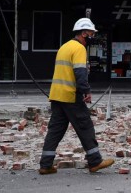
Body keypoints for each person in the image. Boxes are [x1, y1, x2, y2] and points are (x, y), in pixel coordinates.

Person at [38, 18, 114, 175]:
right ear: (84, 33)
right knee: (85, 126)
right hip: (71, 96)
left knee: (55, 130)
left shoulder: (64, 47)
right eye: (91, 34)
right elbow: (80, 73)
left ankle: (45, 165)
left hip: (57, 95)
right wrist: (86, 91)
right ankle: (95, 161)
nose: (92, 38)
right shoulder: (79, 49)